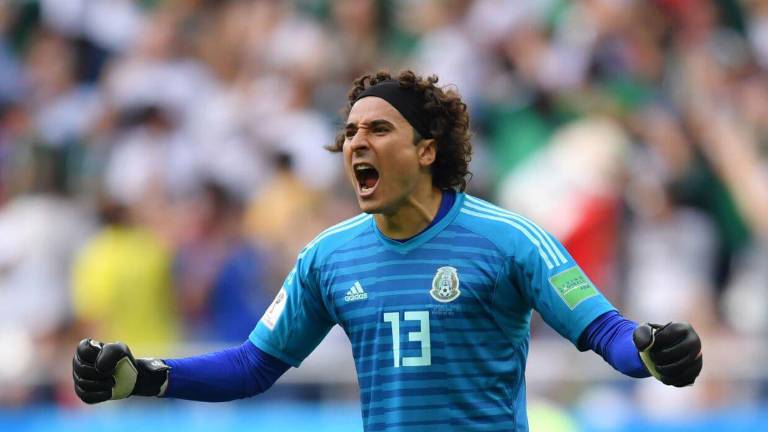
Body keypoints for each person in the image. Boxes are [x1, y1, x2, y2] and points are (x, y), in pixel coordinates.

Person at [72, 70, 703, 431]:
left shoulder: (510, 239)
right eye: (349, 132)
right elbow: (251, 366)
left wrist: (653, 352)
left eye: (378, 128)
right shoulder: (327, 257)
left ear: (426, 150)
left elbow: (607, 333)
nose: (356, 143)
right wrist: (147, 376)